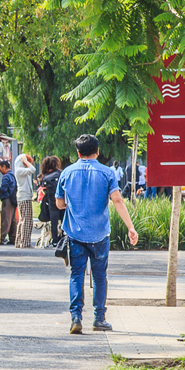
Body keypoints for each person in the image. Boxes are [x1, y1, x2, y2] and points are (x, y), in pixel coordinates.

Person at [56, 133, 139, 334]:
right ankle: (99, 319)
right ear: (98, 151)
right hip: (100, 234)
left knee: (76, 274)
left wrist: (74, 206)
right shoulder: (107, 173)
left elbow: (59, 203)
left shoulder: (67, 172)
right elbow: (117, 200)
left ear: (78, 153)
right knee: (99, 276)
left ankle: (76, 317)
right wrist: (130, 227)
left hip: (75, 234)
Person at [38, 156, 64, 243]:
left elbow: (44, 189)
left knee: (54, 221)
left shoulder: (45, 177)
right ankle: (64, 237)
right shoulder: (61, 174)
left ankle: (55, 239)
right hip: (62, 200)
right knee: (64, 219)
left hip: (51, 201)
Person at [14, 153, 37, 248]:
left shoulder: (20, 170)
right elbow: (33, 169)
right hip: (24, 197)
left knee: (23, 220)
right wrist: (25, 160)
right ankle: (25, 242)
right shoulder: (19, 170)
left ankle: (19, 241)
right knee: (27, 221)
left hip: (23, 196)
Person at [0, 158, 18, 245]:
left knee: (6, 219)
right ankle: (13, 237)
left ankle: (1, 238)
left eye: (0, 168)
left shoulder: (6, 176)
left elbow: (4, 189)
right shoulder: (12, 175)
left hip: (7, 200)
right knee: (12, 220)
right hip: (13, 199)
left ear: (4, 167)